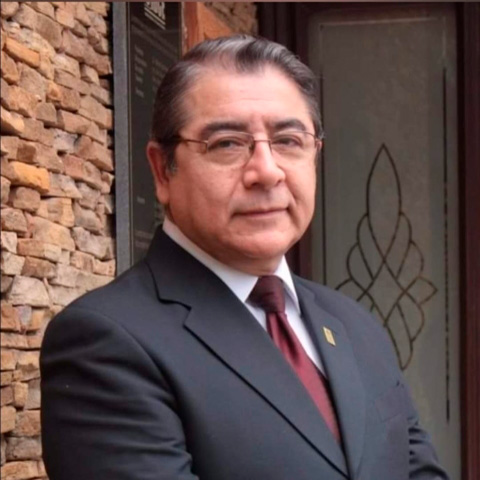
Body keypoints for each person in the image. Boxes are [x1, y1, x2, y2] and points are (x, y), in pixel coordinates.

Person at [40, 35, 449, 480]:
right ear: (162, 170)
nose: (266, 171)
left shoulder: (354, 325)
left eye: (288, 140)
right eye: (227, 144)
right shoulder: (108, 342)